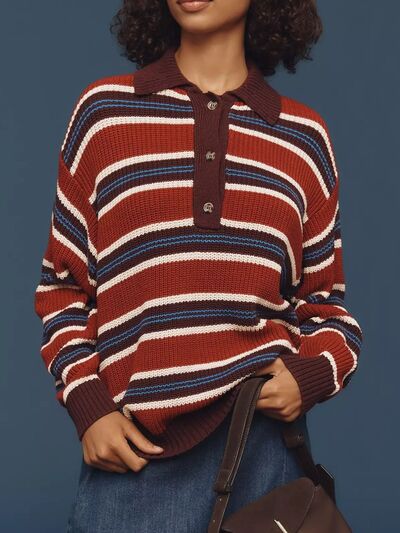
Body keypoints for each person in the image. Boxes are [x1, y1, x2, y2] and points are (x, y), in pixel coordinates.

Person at [33, 0, 363, 531]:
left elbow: (327, 310)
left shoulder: (304, 139)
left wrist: (310, 375)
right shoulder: (104, 115)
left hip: (264, 458)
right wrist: (88, 405)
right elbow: (63, 289)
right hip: (134, 461)